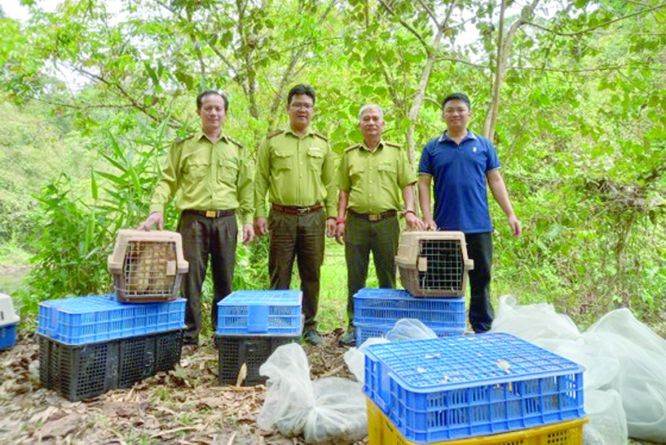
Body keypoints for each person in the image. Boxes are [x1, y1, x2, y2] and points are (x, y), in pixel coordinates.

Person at [138, 91, 255, 346]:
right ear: (198, 112)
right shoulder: (184, 147)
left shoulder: (236, 149)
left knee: (225, 278)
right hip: (193, 221)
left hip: (226, 220)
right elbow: (167, 180)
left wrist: (247, 220)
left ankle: (222, 334)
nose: (213, 113)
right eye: (208, 108)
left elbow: (246, 187)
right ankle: (190, 335)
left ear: (225, 113)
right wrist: (156, 208)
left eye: (218, 109)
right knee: (190, 278)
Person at [418, 92, 521, 333]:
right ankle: (444, 328)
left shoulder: (483, 145)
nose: (455, 114)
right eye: (450, 110)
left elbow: (495, 180)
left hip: (478, 225)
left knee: (481, 279)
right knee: (442, 279)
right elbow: (423, 183)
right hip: (444, 228)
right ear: (443, 115)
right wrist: (427, 217)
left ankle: (482, 327)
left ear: (469, 114)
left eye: (460, 110)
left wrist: (510, 214)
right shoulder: (432, 148)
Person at [254, 84, 337, 346]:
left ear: (313, 110)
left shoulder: (322, 144)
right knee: (280, 272)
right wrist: (258, 214)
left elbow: (332, 183)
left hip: (314, 216)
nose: (302, 109)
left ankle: (309, 325)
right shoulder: (272, 141)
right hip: (281, 216)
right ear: (288, 108)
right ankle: (279, 326)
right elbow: (260, 180)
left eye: (307, 105)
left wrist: (333, 216)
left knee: (311, 272)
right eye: (297, 105)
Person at [336, 105, 425, 346]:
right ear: (360, 125)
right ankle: (355, 325)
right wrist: (340, 220)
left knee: (387, 275)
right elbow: (343, 191)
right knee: (356, 276)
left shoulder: (395, 153)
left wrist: (409, 211)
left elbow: (407, 184)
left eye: (376, 119)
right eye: (366, 119)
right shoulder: (349, 155)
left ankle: (390, 326)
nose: (372, 122)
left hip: (387, 222)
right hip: (356, 222)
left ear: (383, 124)